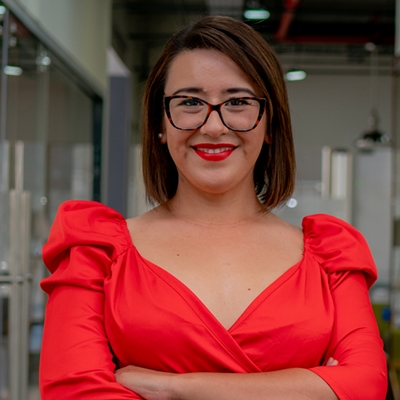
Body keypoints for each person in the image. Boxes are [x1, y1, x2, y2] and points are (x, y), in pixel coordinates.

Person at [39, 15, 387, 400]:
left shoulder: (330, 254)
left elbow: (367, 384)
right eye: (190, 102)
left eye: (238, 102)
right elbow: (75, 391)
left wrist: (173, 388)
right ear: (160, 123)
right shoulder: (95, 250)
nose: (214, 126)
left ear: (270, 124)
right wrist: (310, 387)